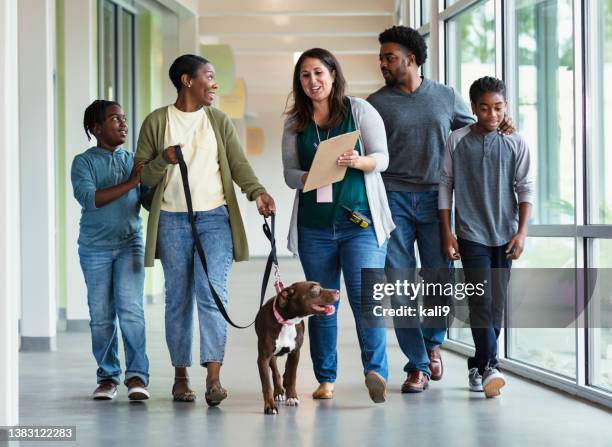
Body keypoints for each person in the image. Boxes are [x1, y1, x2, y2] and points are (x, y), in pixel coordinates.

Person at [367, 25, 515, 393]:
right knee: (400, 283)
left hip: (438, 201)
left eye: (389, 56)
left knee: (438, 281)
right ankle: (416, 365)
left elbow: (478, 128)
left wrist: (505, 125)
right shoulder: (376, 103)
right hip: (393, 200)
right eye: (382, 57)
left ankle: (433, 344)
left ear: (411, 59)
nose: (382, 62)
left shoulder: (445, 97)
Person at [135, 54, 276, 406]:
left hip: (214, 219)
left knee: (212, 294)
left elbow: (238, 164)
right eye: (209, 76)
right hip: (170, 220)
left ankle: (214, 378)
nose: (214, 84)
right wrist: (161, 161)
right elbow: (140, 176)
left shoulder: (218, 120)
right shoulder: (157, 122)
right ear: (187, 80)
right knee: (178, 300)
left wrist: (257, 192)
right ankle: (181, 377)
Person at [282, 48, 395, 403]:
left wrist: (357, 160)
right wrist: (312, 176)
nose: (313, 81)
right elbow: (289, 175)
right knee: (320, 306)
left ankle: (375, 372)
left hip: (359, 223)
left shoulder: (359, 110)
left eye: (318, 73)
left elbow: (383, 158)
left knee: (366, 300)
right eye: (305, 75)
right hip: (315, 228)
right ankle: (325, 378)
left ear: (333, 74)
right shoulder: (294, 123)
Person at [439, 76, 534, 397]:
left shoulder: (515, 141)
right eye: (484, 108)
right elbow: (445, 185)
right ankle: (492, 365)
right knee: (481, 301)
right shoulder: (457, 140)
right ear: (473, 108)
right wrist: (447, 230)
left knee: (496, 307)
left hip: (506, 235)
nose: (492, 115)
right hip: (471, 234)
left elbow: (525, 187)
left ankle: (477, 364)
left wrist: (521, 233)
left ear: (506, 107)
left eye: (498, 108)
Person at [71, 100, 150, 401]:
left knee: (131, 312)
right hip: (95, 249)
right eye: (115, 119)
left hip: (131, 243)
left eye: (124, 118)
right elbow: (90, 199)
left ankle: (137, 377)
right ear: (96, 128)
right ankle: (107, 377)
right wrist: (132, 181)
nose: (123, 123)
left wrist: (155, 180)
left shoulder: (133, 159)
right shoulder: (84, 162)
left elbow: (144, 199)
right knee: (102, 316)